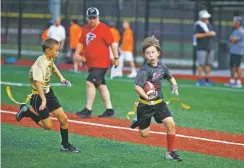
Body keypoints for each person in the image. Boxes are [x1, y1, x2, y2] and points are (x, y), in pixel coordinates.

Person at [15, 38, 80, 152]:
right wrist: (44, 100)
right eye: (56, 50)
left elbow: (53, 67)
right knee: (48, 126)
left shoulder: (49, 58)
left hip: (48, 92)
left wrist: (62, 78)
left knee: (63, 119)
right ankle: (27, 112)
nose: (58, 53)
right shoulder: (40, 64)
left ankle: (65, 145)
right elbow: (37, 82)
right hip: (38, 96)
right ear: (48, 51)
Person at [131, 36, 182, 161]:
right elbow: (137, 87)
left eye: (153, 52)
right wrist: (147, 95)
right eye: (147, 53)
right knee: (144, 135)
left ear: (158, 53)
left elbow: (170, 77)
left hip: (159, 104)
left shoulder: (162, 67)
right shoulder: (144, 70)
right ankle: (138, 118)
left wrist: (174, 85)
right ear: (144, 56)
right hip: (145, 106)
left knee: (171, 124)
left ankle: (170, 153)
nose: (151, 55)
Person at [74, 7, 119, 118]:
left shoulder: (104, 28)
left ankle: (88, 109)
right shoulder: (85, 29)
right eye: (90, 18)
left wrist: (116, 58)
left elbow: (112, 44)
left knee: (90, 83)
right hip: (91, 64)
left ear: (98, 17)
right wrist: (76, 54)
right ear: (87, 18)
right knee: (101, 86)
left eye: (94, 17)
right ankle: (109, 110)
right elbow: (81, 42)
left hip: (101, 63)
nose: (92, 20)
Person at [193, 10, 216, 86]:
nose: (207, 18)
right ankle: (199, 79)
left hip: (210, 47)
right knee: (201, 64)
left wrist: (211, 34)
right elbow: (197, 35)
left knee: (209, 64)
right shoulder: (198, 25)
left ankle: (207, 79)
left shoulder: (208, 24)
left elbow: (212, 32)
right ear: (202, 17)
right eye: (205, 17)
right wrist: (207, 34)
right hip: (201, 47)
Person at [226, 16, 244, 88]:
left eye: (234, 22)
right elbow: (231, 38)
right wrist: (232, 39)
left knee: (238, 66)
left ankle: (239, 82)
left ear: (238, 23)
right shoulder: (235, 30)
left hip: (238, 52)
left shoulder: (241, 31)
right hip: (233, 51)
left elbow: (233, 40)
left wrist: (232, 39)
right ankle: (232, 80)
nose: (233, 23)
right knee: (231, 66)